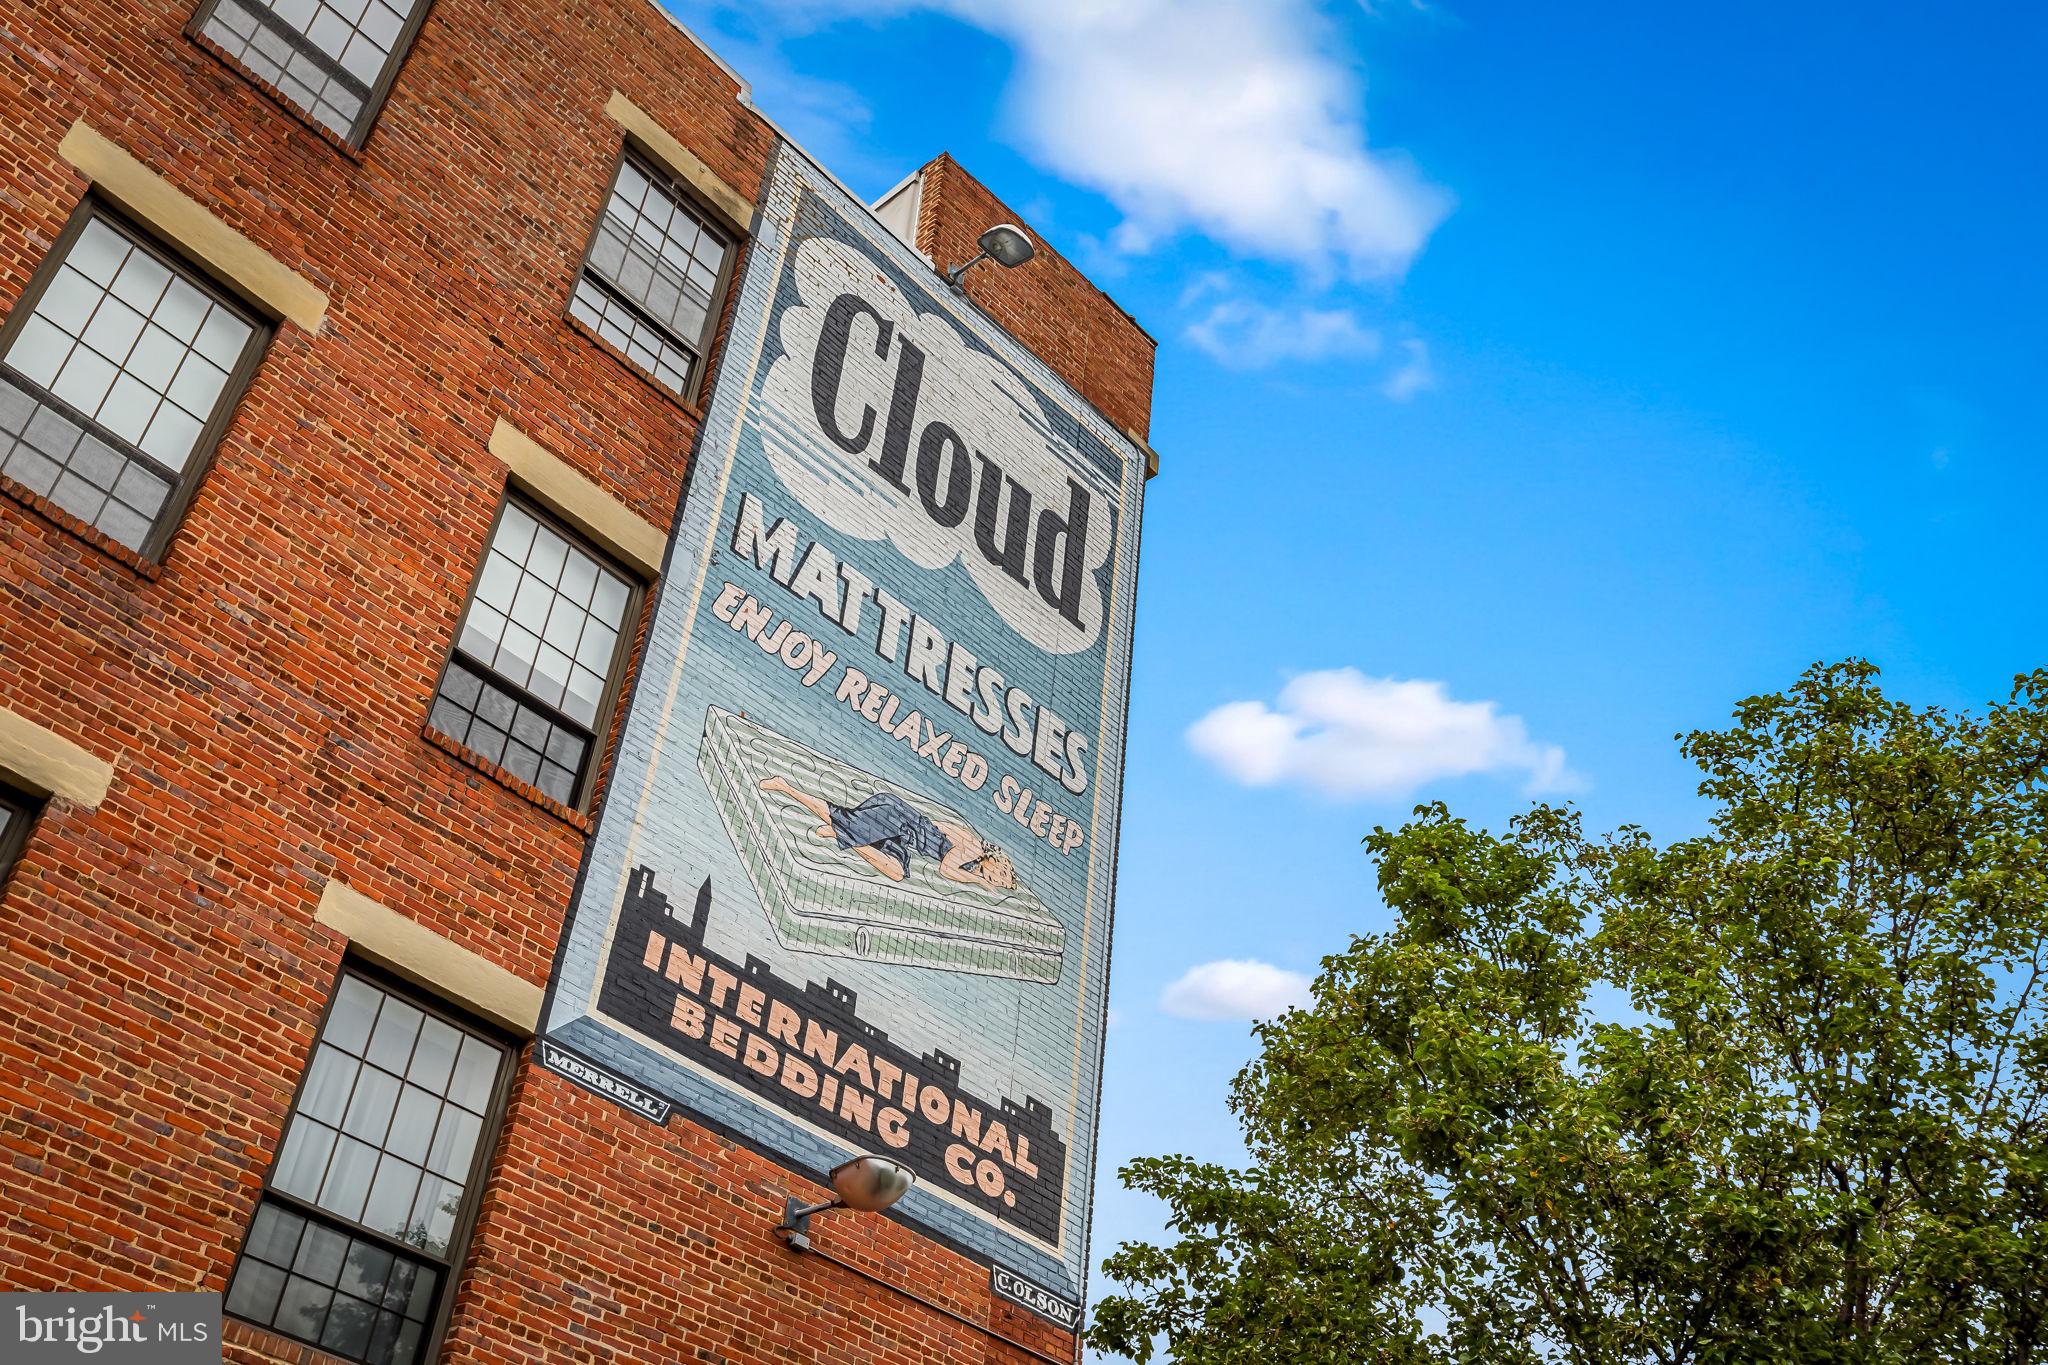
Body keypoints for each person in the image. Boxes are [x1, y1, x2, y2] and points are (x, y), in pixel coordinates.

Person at [758, 776, 1017, 891]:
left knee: (896, 872)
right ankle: (785, 787)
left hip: (902, 835)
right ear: (996, 863)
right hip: (895, 816)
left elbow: (940, 827)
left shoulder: (972, 854)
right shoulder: (973, 850)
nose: (995, 882)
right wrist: (978, 882)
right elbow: (946, 870)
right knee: (839, 816)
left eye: (999, 884)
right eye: (999, 878)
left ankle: (848, 837)